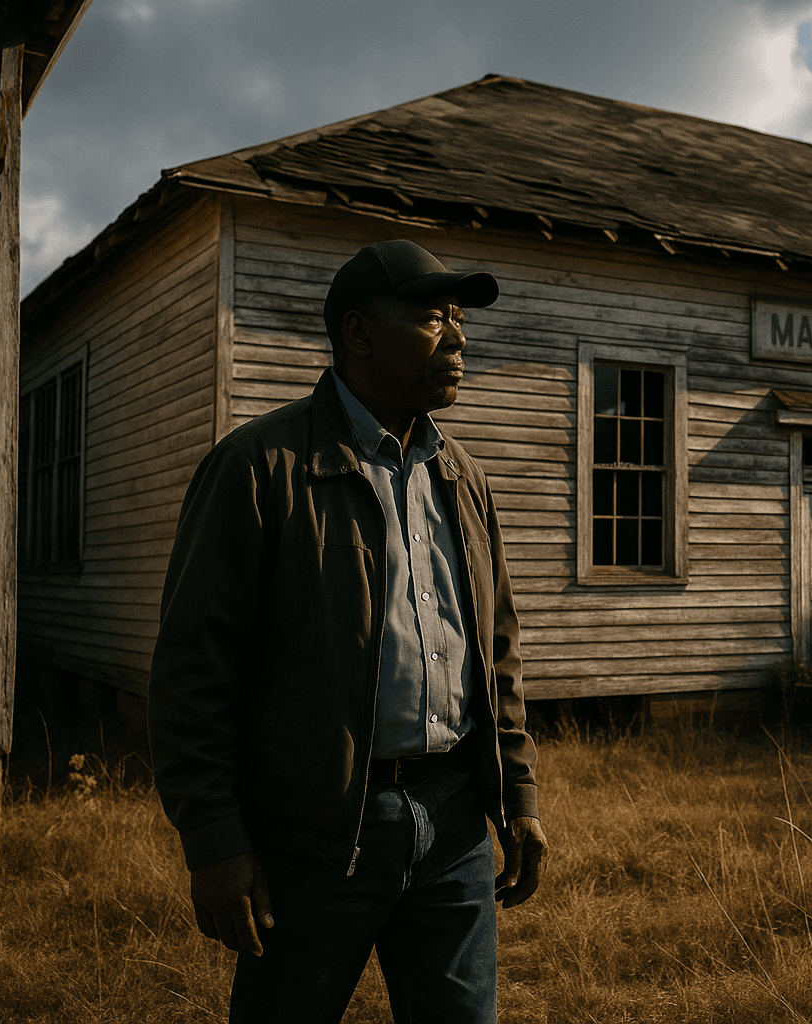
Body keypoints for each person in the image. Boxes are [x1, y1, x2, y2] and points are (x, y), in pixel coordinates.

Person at [148, 239, 547, 1024]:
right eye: (433, 316)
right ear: (360, 333)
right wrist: (216, 840)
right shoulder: (260, 466)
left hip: (455, 824)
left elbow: (496, 654)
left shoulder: (462, 477)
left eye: (461, 319)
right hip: (314, 837)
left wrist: (517, 791)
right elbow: (194, 671)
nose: (459, 338)